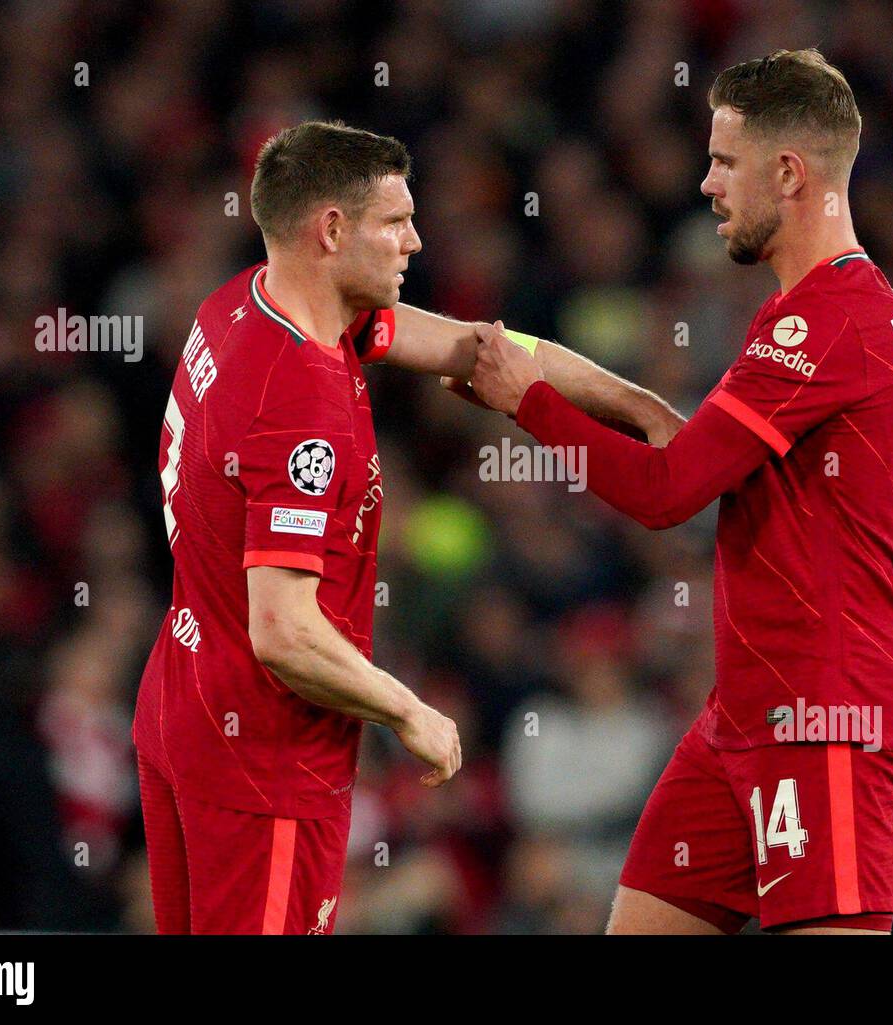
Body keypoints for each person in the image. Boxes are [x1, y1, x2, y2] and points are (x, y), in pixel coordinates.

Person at [132, 119, 682, 934]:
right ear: (331, 231)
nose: (416, 241)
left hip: (183, 703)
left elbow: (481, 350)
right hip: (264, 761)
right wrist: (407, 710)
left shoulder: (249, 302)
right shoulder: (301, 401)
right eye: (395, 222)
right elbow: (282, 629)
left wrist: (642, 409)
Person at [467, 50, 893, 934]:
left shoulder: (828, 319)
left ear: (788, 173)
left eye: (723, 161)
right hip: (743, 714)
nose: (707, 183)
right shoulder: (806, 312)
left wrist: (525, 402)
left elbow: (669, 488)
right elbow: (688, 449)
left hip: (823, 712)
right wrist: (596, 392)